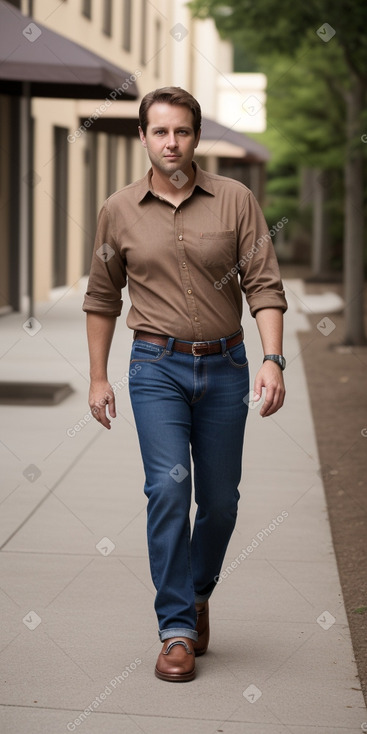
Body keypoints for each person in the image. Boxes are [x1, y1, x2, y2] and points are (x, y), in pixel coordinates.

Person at [83, 87, 287, 683]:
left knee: (220, 503)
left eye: (182, 132)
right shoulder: (118, 209)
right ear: (143, 138)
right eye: (159, 132)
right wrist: (98, 376)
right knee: (168, 491)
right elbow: (101, 297)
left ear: (196, 136)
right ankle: (175, 627)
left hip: (226, 369)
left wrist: (272, 359)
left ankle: (197, 592)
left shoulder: (236, 200)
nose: (171, 142)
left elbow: (265, 286)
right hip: (155, 368)